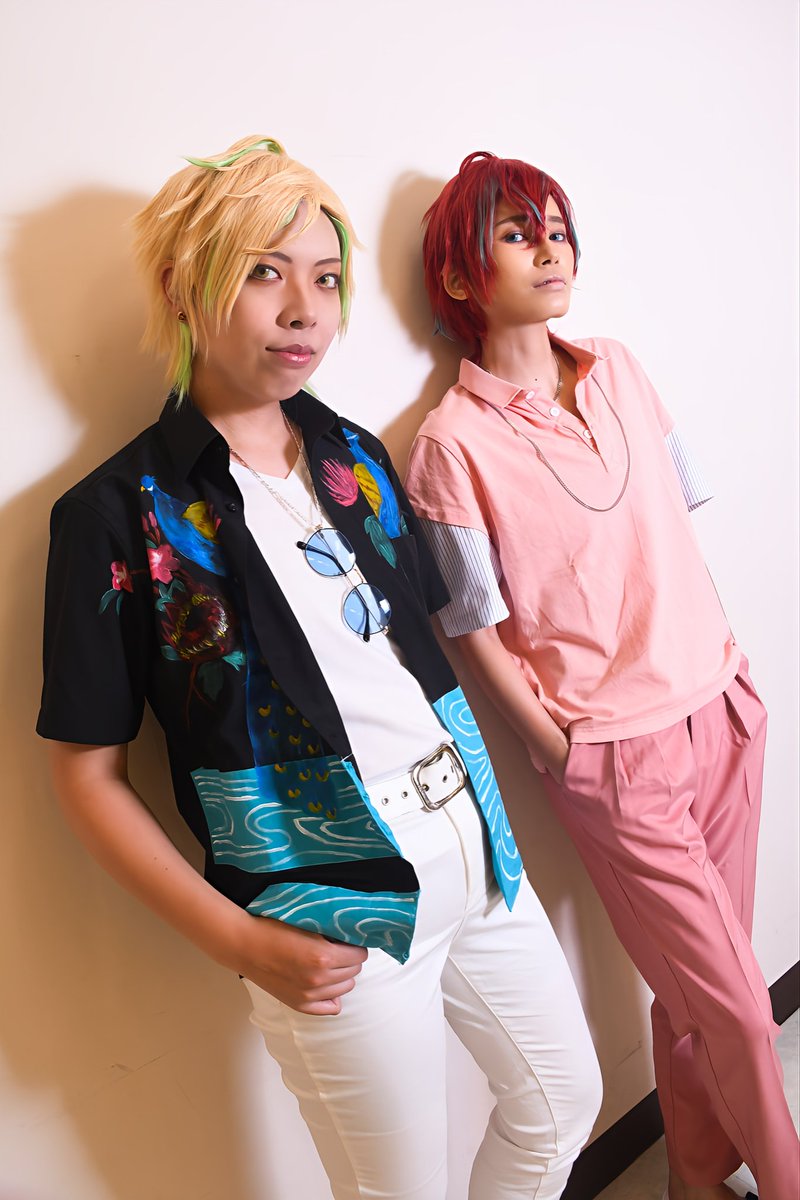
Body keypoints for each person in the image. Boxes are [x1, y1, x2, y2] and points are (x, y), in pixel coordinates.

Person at [36, 136, 601, 1200]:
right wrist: (243, 941)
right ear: (185, 288)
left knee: (560, 1105)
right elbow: (86, 775)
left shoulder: (353, 456)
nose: (305, 309)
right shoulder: (116, 515)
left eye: (327, 278)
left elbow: (412, 661)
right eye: (265, 272)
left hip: (474, 847)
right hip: (325, 899)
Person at [403, 150, 799, 1200]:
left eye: (556, 227)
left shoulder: (619, 368)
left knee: (695, 995)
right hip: (614, 759)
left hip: (719, 708)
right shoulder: (449, 445)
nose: (550, 248)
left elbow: (676, 519)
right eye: (516, 233)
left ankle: (695, 1178)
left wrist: (727, 670)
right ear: (460, 277)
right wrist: (562, 753)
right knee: (739, 1007)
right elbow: (473, 632)